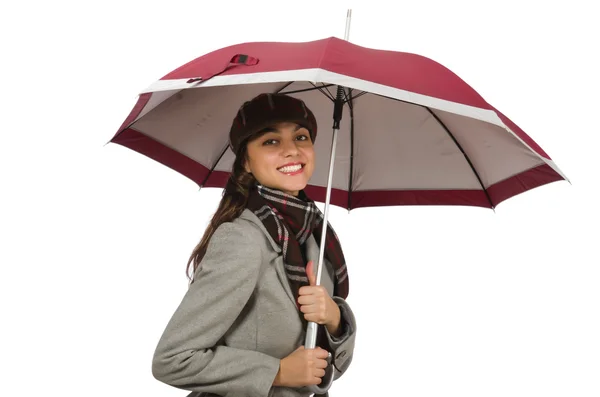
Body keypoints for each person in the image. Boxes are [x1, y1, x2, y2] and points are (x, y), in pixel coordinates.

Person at [151, 93, 356, 397]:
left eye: (301, 137)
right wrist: (278, 372)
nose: (292, 150)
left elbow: (325, 371)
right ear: (246, 161)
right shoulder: (242, 238)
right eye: (271, 142)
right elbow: (172, 360)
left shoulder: (315, 236)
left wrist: (334, 318)